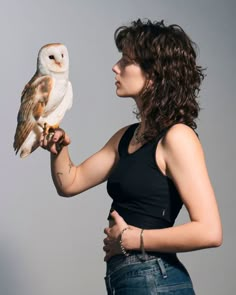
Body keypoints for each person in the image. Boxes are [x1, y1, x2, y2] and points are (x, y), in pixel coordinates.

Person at [41, 19, 222, 294]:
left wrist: (131, 238)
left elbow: (210, 231)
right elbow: (70, 182)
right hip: (127, 279)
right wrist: (59, 148)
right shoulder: (127, 136)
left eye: (126, 61)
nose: (116, 67)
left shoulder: (178, 137)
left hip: (155, 279)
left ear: (154, 74)